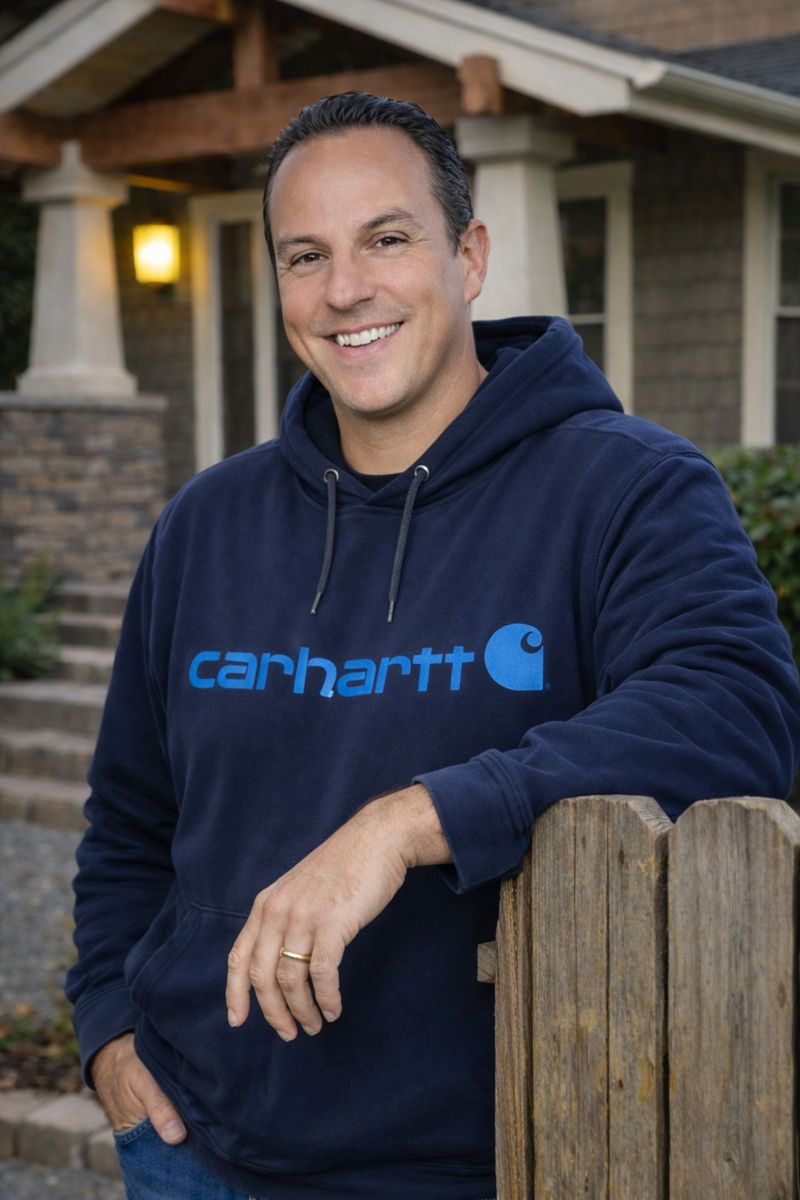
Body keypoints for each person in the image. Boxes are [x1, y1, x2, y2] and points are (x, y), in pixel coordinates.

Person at [66, 92, 800, 1200]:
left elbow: (735, 710)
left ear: (470, 257)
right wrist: (109, 1035)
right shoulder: (205, 525)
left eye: (386, 239)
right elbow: (129, 819)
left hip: (483, 1163)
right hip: (194, 1150)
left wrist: (410, 822)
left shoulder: (624, 488)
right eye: (305, 255)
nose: (344, 289)